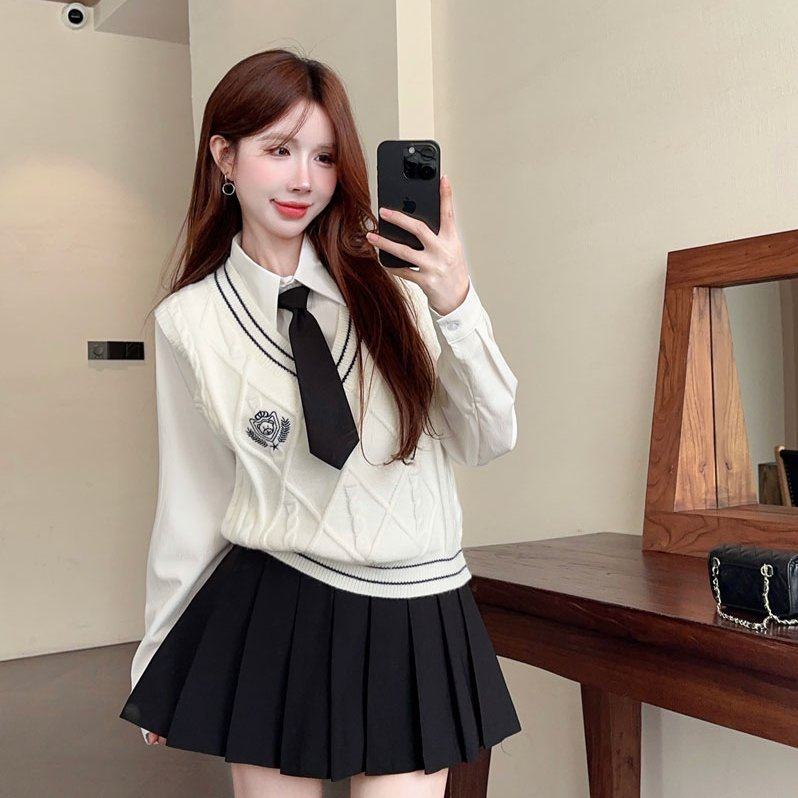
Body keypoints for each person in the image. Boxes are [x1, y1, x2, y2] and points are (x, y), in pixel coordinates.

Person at [119, 48, 522, 798]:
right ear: (224, 157)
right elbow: (194, 497)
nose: (304, 179)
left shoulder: (399, 287)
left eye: (325, 156)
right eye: (279, 150)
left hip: (416, 607)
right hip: (274, 606)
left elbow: (488, 437)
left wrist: (457, 304)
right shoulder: (188, 322)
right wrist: (160, 650)